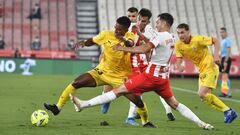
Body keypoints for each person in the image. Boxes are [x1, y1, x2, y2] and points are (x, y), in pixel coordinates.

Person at [70, 13, 214, 130]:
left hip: (150, 76)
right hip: (163, 79)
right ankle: (202, 123)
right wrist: (140, 34)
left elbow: (145, 48)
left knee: (118, 91)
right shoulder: (171, 37)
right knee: (175, 104)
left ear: (164, 23)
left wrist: (123, 48)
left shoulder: (160, 36)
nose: (155, 24)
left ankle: (83, 105)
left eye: (157, 22)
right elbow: (154, 44)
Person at [44, 16, 156, 128]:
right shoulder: (106, 34)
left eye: (119, 29)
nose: (116, 31)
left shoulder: (130, 35)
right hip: (101, 72)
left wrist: (122, 39)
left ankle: (145, 122)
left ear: (126, 29)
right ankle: (57, 108)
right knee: (76, 83)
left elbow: (130, 44)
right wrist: (83, 43)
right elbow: (92, 41)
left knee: (138, 102)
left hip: (120, 77)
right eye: (115, 28)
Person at [175, 23, 238, 123]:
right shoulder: (178, 44)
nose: (180, 35)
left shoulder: (198, 39)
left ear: (188, 32)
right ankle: (228, 111)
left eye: (182, 32)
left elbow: (215, 41)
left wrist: (216, 56)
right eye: (178, 33)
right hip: (202, 71)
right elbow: (178, 57)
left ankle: (228, 108)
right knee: (204, 98)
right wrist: (178, 66)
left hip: (210, 67)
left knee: (202, 93)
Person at [218, 27, 232, 98]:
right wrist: (221, 60)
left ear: (226, 32)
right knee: (221, 76)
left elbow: (228, 51)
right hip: (223, 59)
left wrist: (226, 61)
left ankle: (227, 93)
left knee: (224, 76)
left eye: (223, 32)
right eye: (220, 32)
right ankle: (225, 92)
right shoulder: (223, 41)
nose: (221, 33)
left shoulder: (227, 40)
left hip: (226, 59)